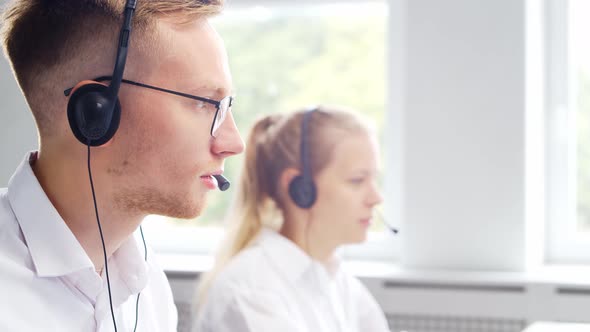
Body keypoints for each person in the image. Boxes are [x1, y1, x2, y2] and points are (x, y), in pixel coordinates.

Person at [0, 0, 244, 331]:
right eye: (203, 103)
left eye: (225, 105)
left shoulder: (146, 280)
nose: (233, 143)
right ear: (96, 113)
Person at [195, 106, 391, 332]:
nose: (376, 198)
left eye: (373, 179)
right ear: (300, 188)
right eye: (357, 180)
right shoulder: (251, 290)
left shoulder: (339, 282)